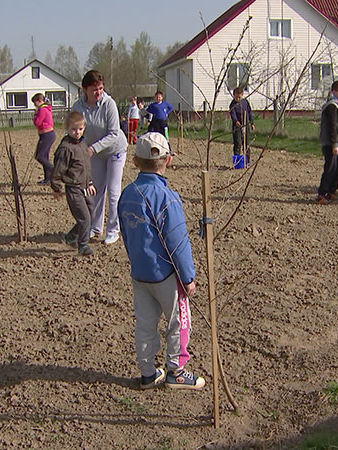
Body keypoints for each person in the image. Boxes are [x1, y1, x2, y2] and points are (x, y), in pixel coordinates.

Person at [117, 132, 205, 391]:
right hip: (166, 274)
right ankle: (176, 371)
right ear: (168, 160)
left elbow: (124, 231)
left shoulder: (127, 195)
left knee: (145, 323)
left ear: (135, 162)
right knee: (178, 320)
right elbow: (178, 241)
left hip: (140, 273)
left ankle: (147, 372)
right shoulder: (166, 198)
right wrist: (187, 277)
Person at [72, 70, 128, 245]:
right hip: (95, 154)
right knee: (95, 191)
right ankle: (95, 227)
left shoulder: (108, 104)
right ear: (85, 89)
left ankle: (113, 230)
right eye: (94, 89)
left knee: (113, 191)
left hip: (115, 151)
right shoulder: (78, 107)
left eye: (101, 88)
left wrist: (92, 149)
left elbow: (114, 133)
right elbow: (76, 130)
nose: (98, 92)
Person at [51, 111, 96, 256]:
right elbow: (58, 169)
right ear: (67, 129)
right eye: (74, 129)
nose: (77, 132)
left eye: (80, 129)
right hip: (73, 188)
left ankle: (71, 237)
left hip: (84, 187)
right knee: (84, 218)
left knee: (91, 214)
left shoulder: (83, 144)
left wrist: (89, 182)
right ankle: (83, 245)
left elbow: (85, 166)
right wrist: (56, 187)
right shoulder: (66, 148)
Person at [316, 80, 338, 204]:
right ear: (333, 92)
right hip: (330, 143)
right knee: (330, 168)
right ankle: (322, 193)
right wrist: (334, 144)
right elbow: (332, 127)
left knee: (337, 169)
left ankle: (332, 192)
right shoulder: (331, 106)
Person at [32, 93, 56, 185]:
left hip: (46, 134)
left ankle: (53, 170)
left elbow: (37, 122)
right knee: (44, 156)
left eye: (35, 103)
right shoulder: (46, 109)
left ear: (39, 101)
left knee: (40, 156)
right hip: (48, 134)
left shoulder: (42, 110)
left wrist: (35, 116)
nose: (35, 106)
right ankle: (48, 178)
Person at [229, 87, 255, 160]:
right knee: (238, 143)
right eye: (236, 97)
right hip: (237, 127)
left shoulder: (245, 102)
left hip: (245, 125)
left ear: (242, 95)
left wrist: (252, 123)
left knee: (246, 144)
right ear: (234, 95)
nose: (238, 98)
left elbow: (249, 112)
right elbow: (232, 113)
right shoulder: (232, 104)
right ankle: (237, 161)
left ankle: (247, 161)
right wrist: (236, 121)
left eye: (239, 97)